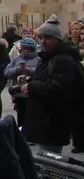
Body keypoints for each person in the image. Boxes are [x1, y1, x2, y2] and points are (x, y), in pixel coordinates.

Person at [20, 16, 84, 155]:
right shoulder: (49, 57)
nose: (43, 41)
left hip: (53, 121)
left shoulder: (63, 60)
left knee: (50, 162)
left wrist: (32, 86)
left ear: (58, 39)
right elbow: (47, 79)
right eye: (41, 37)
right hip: (45, 119)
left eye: (48, 38)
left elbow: (57, 88)